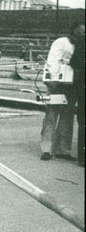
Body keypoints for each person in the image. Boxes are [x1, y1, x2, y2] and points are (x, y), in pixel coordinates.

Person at [40, 22, 84, 161]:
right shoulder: (61, 42)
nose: (82, 35)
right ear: (73, 32)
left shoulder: (80, 46)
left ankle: (63, 149)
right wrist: (53, 81)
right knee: (52, 115)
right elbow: (52, 61)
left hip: (71, 85)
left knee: (67, 116)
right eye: (81, 32)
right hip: (57, 83)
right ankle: (47, 149)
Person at [69, 27, 85, 166]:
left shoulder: (82, 43)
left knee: (83, 123)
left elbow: (74, 63)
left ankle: (83, 158)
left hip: (83, 87)